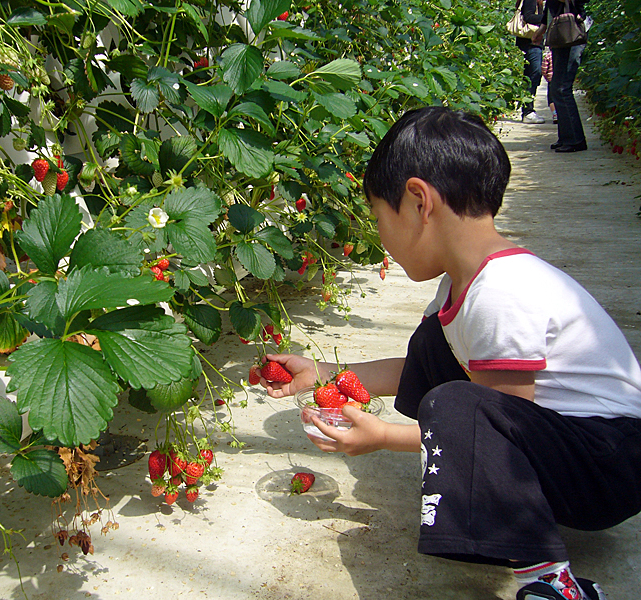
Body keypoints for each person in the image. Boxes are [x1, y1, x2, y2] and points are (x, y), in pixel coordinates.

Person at [258, 107, 641, 600]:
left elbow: (494, 423)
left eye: (379, 217)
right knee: (432, 346)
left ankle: (553, 585)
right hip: (569, 445)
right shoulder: (463, 284)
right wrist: (322, 373)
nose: (381, 237)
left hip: (608, 465)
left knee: (455, 406)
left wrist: (384, 438)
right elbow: (422, 372)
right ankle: (499, 525)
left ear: (419, 201)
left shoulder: (505, 291)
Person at [532, 0, 589, 152]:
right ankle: (566, 137)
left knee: (562, 87)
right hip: (561, 37)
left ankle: (575, 140)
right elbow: (550, 10)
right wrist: (541, 30)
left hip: (571, 36)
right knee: (557, 88)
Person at [516, 0, 547, 124]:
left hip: (532, 43)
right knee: (534, 73)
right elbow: (528, 16)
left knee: (531, 74)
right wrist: (547, 19)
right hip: (529, 43)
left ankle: (528, 109)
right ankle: (528, 111)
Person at [542, 48, 557, 123]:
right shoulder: (561, 56)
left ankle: (555, 114)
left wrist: (546, 77)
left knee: (551, 99)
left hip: (551, 80)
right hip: (561, 79)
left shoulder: (548, 56)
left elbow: (544, 69)